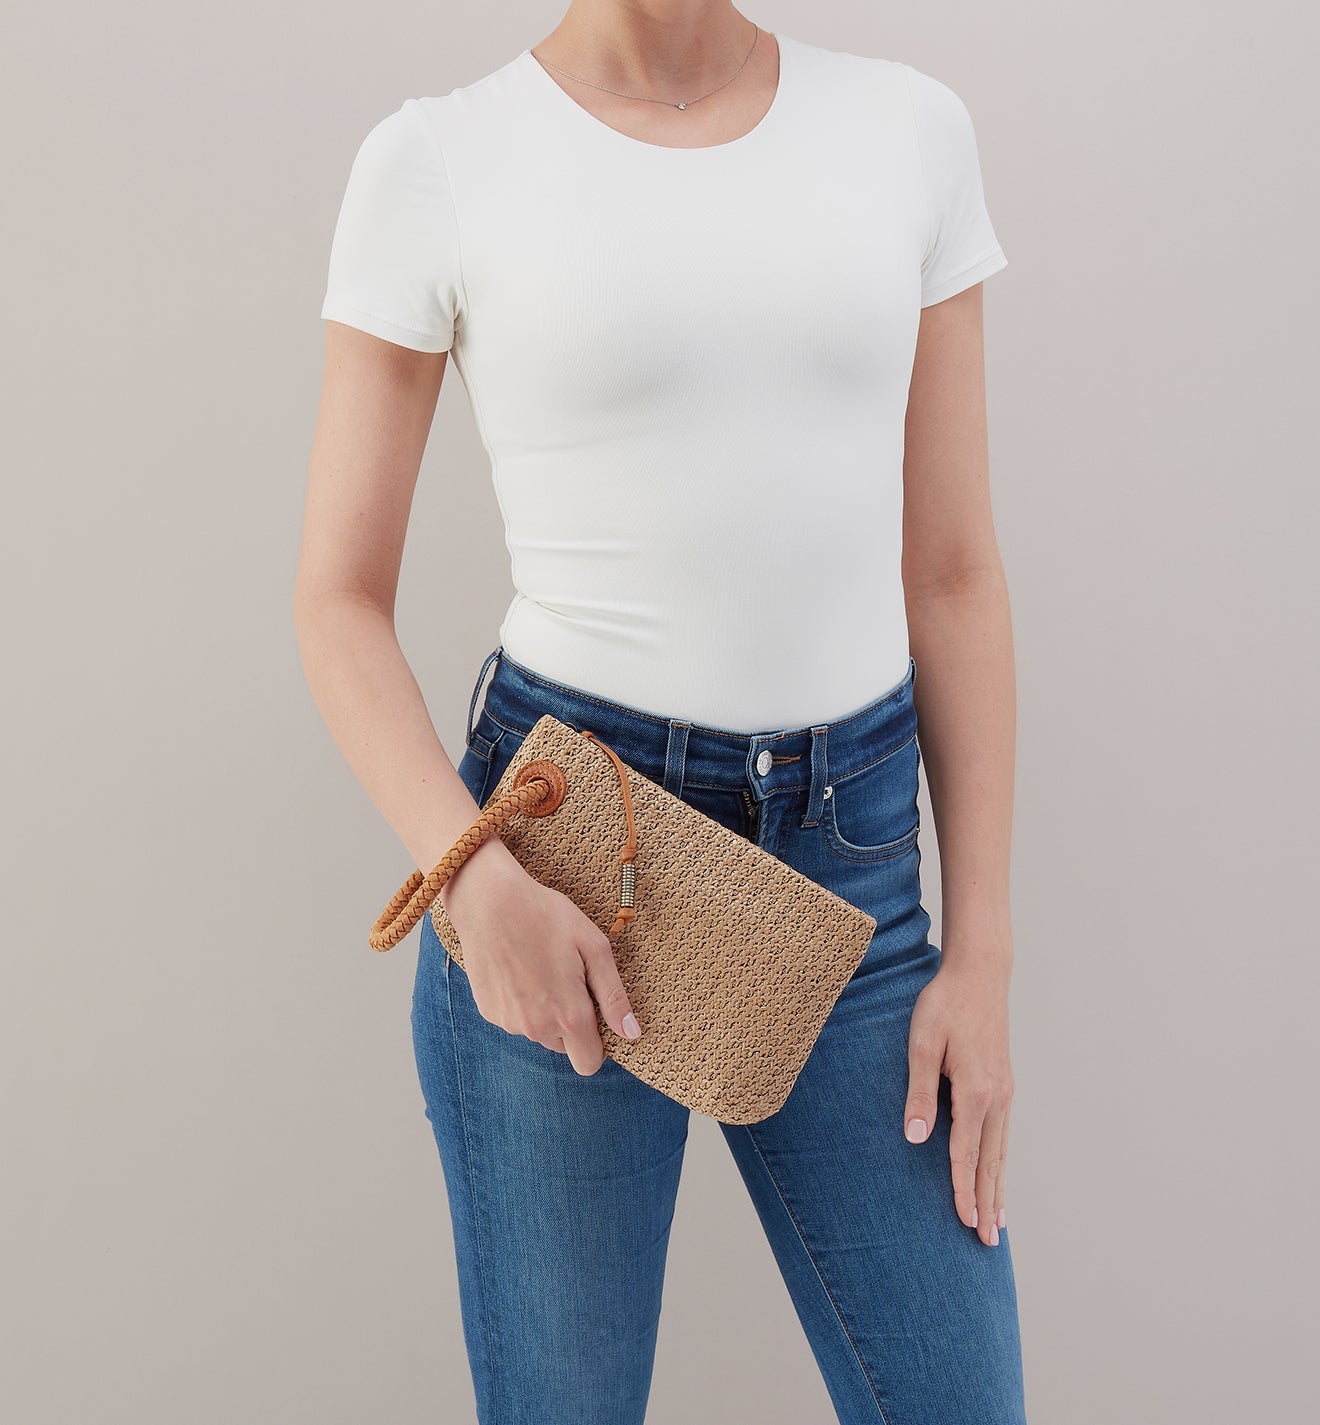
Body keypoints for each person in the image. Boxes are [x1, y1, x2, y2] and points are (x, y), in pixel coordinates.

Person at [296, 6, 1025, 1421]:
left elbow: (949, 573)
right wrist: (472, 876)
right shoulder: (438, 158)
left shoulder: (906, 131)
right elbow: (335, 599)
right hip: (558, 859)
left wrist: (983, 948)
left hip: (852, 868)